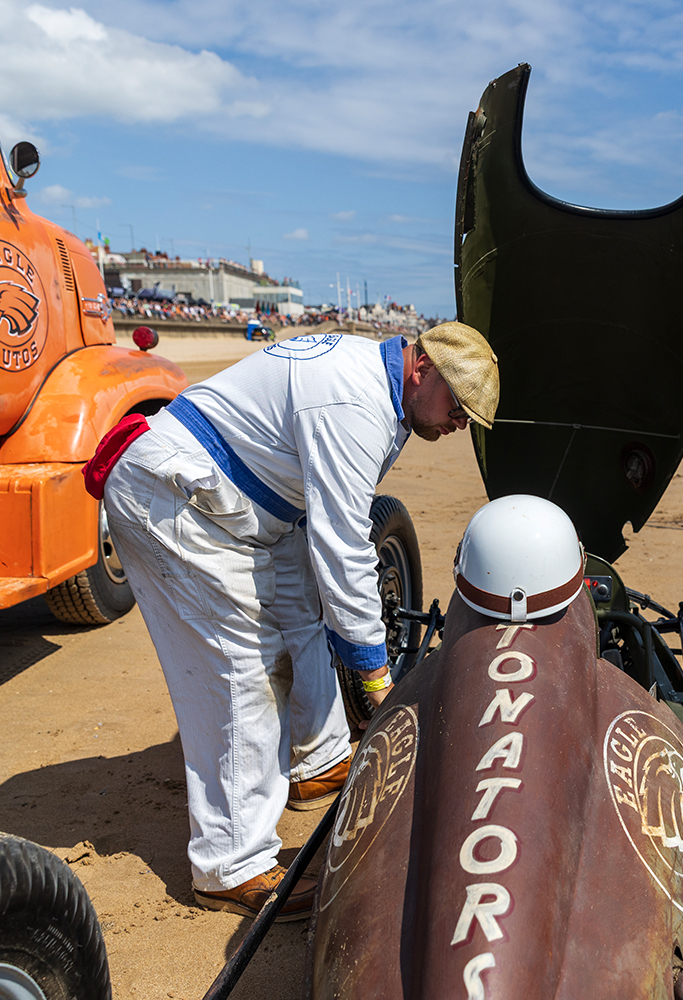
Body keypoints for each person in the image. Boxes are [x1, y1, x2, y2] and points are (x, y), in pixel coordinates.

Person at [92, 322, 499, 920]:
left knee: (300, 614)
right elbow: (344, 548)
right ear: (425, 369)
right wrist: (373, 676)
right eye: (458, 407)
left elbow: (323, 535)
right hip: (175, 496)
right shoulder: (352, 402)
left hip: (247, 503)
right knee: (243, 669)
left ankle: (316, 757)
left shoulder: (384, 390)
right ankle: (233, 865)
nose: (459, 423)